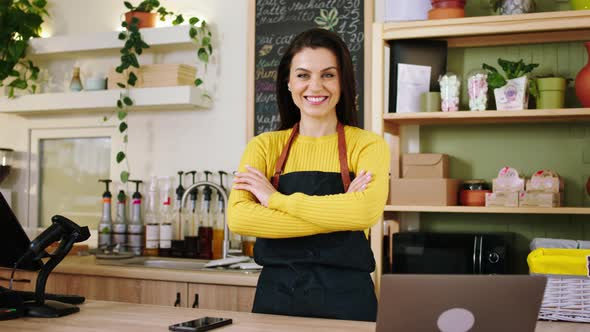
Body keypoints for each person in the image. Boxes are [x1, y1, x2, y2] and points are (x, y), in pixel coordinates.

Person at [227, 28, 390, 322]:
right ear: (288, 83)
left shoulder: (367, 145)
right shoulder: (263, 147)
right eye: (303, 75)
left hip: (348, 302)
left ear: (342, 82)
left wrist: (275, 199)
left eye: (328, 74)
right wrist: (339, 215)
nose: (315, 86)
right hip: (276, 300)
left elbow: (364, 212)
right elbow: (240, 218)